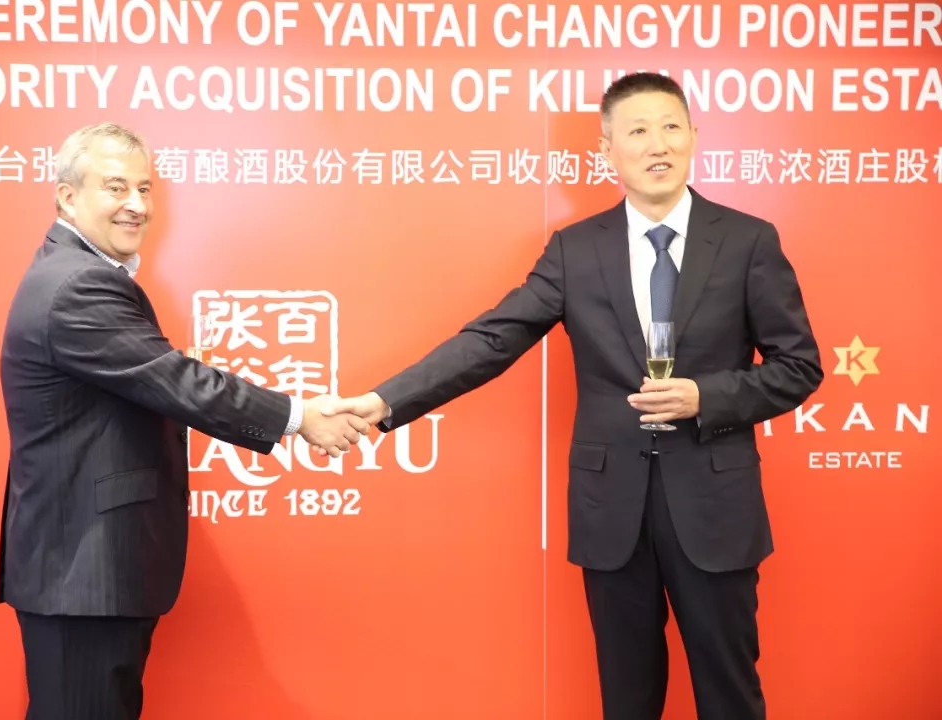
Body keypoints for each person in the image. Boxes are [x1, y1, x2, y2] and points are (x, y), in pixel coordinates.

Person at [324, 73, 823, 719]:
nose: (658, 144)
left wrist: (707, 396)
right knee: (626, 697)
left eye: (671, 126)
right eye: (637, 130)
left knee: (730, 696)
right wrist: (384, 401)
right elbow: (493, 338)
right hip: (611, 508)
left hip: (714, 505)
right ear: (607, 150)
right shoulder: (576, 249)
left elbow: (798, 366)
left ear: (694, 136)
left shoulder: (748, 240)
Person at [0, 122, 367, 720]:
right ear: (67, 196)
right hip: (81, 574)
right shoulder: (77, 285)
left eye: (144, 189)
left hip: (84, 572)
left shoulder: (71, 273)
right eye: (115, 187)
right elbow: (177, 382)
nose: (136, 205)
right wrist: (298, 416)